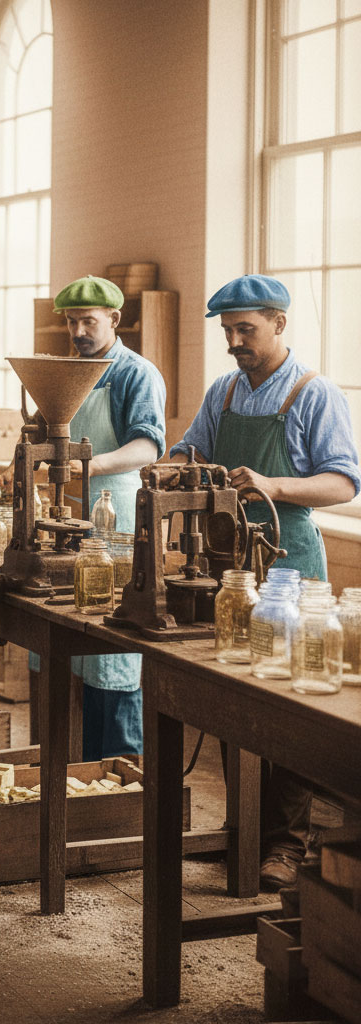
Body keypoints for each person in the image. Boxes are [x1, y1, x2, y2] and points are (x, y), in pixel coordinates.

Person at [171, 273, 360, 889]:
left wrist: (273, 485)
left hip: (290, 565)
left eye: (245, 329)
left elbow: (343, 483)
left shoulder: (315, 393)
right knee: (235, 696)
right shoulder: (224, 392)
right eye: (227, 330)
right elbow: (192, 451)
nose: (234, 341)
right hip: (230, 566)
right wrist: (166, 466)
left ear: (280, 324)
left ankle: (284, 845)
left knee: (291, 703)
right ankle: (244, 831)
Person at [0, 275, 167, 760]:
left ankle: (117, 775)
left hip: (116, 517)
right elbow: (36, 434)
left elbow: (147, 446)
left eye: (88, 321)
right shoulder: (66, 371)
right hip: (64, 514)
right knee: (59, 637)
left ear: (114, 320)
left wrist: (83, 465)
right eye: (71, 321)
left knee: (110, 649)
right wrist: (15, 468)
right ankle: (58, 766)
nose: (77, 331)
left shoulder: (137, 373)